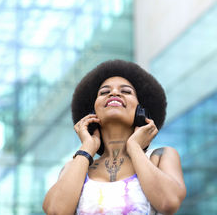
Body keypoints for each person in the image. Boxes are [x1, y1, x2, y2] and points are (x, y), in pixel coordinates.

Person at [43, 60, 186, 214]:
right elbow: (56, 211)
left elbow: (169, 202)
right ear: (93, 112)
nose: (114, 93)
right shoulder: (76, 166)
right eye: (104, 92)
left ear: (141, 111)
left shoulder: (160, 156)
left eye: (126, 91)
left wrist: (134, 147)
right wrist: (87, 148)